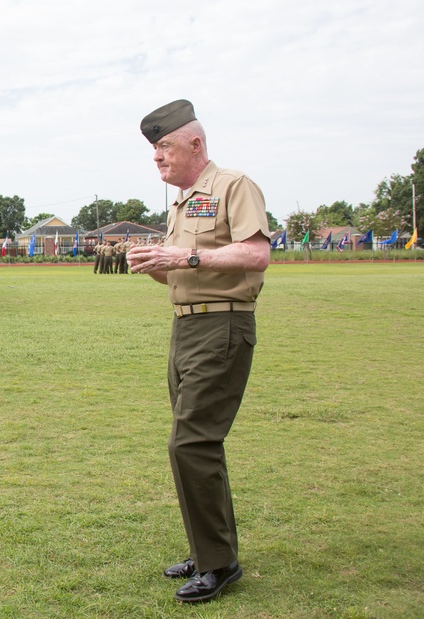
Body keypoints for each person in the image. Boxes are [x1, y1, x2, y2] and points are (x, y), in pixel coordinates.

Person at [127, 99, 270, 604]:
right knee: (197, 444)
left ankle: (219, 563)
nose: (157, 158)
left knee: (190, 443)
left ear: (196, 144)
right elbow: (183, 269)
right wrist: (155, 262)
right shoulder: (182, 203)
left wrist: (183, 254)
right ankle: (209, 548)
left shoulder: (233, 185)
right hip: (186, 329)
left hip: (223, 326)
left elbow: (256, 253)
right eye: (154, 150)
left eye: (163, 146)